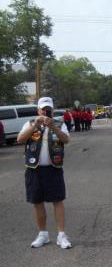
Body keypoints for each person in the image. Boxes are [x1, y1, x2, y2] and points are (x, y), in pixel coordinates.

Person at [16, 97, 72, 249]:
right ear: (38, 110)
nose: (46, 112)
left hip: (54, 168)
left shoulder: (59, 123)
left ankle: (61, 235)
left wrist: (53, 127)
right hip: (34, 169)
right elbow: (20, 139)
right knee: (37, 202)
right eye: (43, 109)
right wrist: (35, 125)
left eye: (48, 109)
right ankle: (43, 234)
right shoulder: (29, 123)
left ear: (52, 110)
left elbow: (66, 140)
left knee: (58, 201)